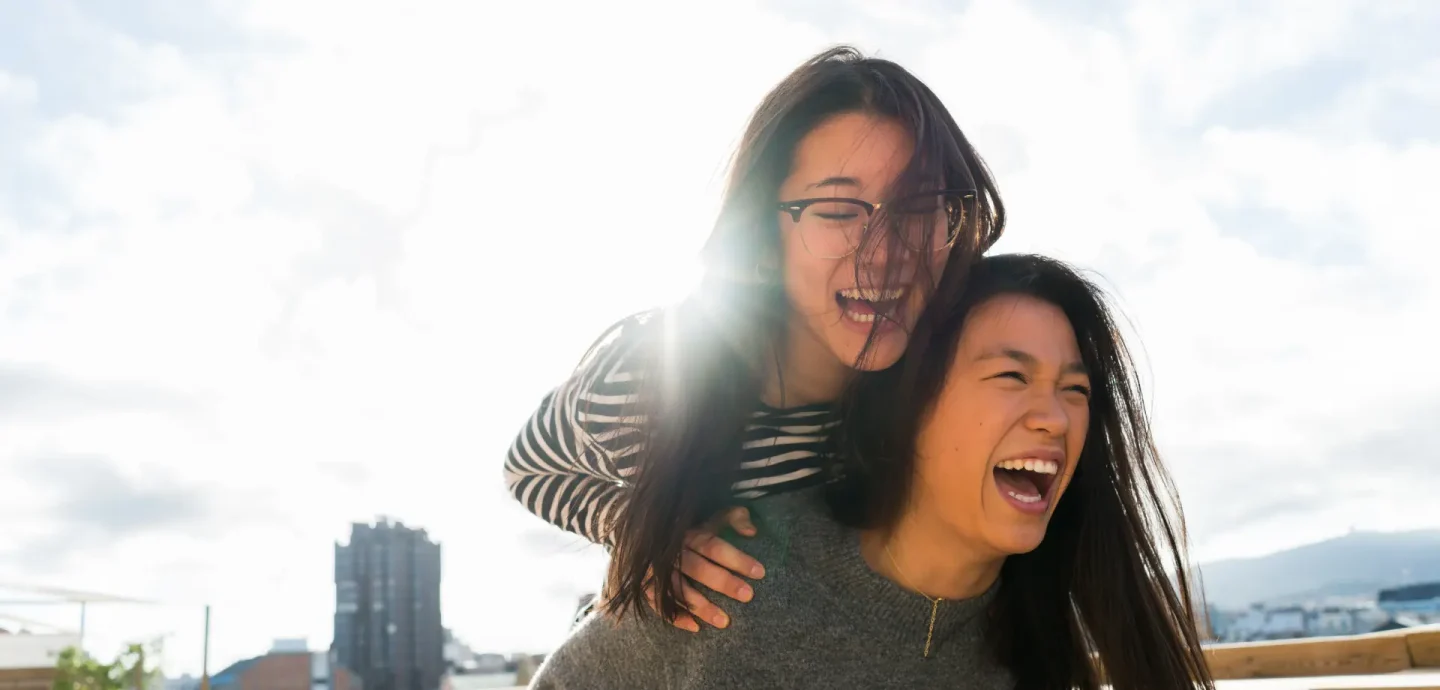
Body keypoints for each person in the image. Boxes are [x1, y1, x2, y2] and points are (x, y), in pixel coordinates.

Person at [529, 254, 1216, 689]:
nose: (1056, 419)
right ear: (914, 404)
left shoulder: (1040, 646)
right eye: (1012, 374)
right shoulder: (730, 576)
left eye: (1077, 391)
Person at [504, 45, 1004, 631]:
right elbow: (529, 468)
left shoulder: (947, 383)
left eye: (919, 207)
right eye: (839, 210)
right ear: (765, 239)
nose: (887, 253)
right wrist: (644, 536)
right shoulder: (659, 369)